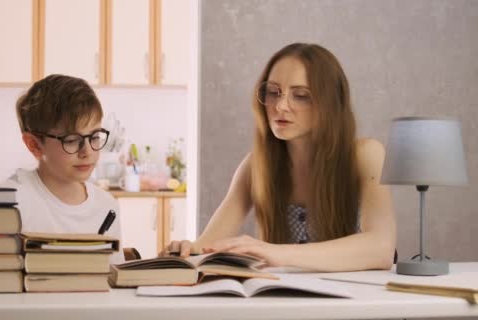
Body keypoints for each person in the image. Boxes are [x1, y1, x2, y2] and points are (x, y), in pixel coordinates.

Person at [168, 43, 396, 272]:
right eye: (273, 92)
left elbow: (381, 248)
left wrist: (275, 252)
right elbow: (208, 246)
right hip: (283, 299)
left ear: (330, 103)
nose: (280, 106)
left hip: (352, 300)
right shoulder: (255, 165)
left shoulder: (366, 155)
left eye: (301, 95)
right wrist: (189, 249)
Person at [5, 74, 124, 263]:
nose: (87, 152)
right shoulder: (12, 201)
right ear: (34, 145)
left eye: (94, 137)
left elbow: (113, 281)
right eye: (72, 140)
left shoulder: (107, 206)